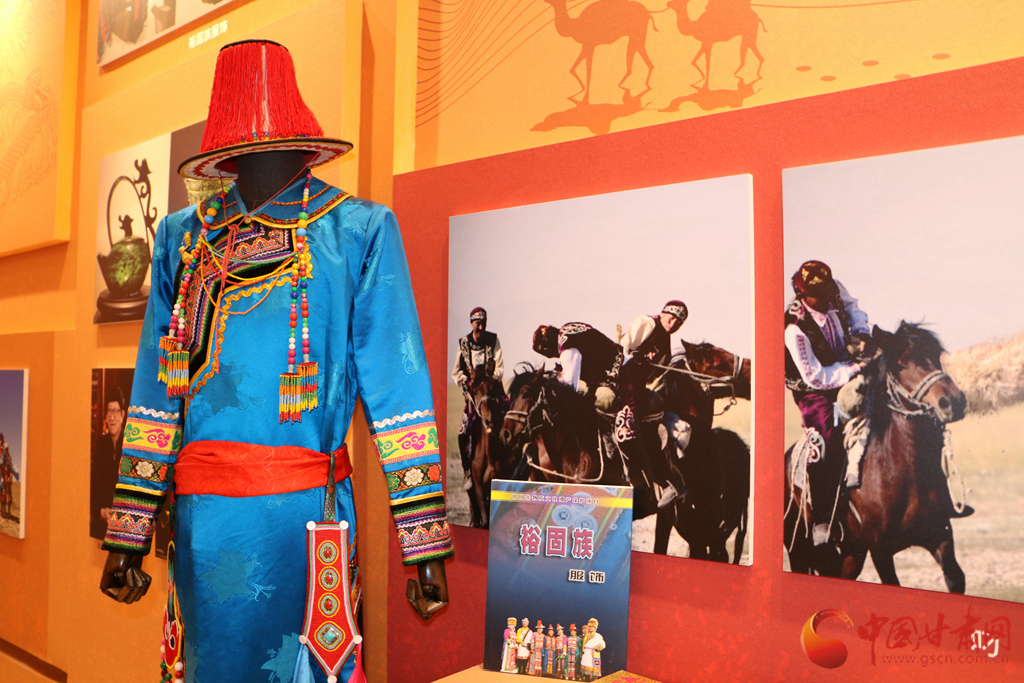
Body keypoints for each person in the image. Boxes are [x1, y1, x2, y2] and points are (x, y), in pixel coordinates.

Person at [98, 40, 453, 683]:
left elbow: (397, 388)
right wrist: (130, 530)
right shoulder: (181, 238)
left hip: (305, 521)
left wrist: (422, 539)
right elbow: (156, 392)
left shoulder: (358, 231)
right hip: (204, 527)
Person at [533, 322, 683, 507]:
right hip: (614, 377)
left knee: (625, 433)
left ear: (547, 348)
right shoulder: (570, 331)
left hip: (626, 378)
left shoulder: (567, 349)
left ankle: (668, 482)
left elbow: (569, 386)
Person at [784, 260, 870, 547]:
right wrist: (854, 368)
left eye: (827, 294)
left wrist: (862, 333)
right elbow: (815, 375)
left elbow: (853, 307)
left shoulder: (833, 289)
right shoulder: (794, 328)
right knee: (824, 438)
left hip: (848, 365)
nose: (826, 301)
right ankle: (822, 517)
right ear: (802, 295)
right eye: (817, 298)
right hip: (813, 390)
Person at [452, 307, 505, 490]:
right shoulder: (464, 344)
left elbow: (500, 367)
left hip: (492, 393)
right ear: (471, 323)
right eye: (477, 323)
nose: (481, 327)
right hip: (473, 398)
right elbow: (456, 371)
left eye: (483, 323)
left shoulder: (493, 340)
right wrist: (466, 382)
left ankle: (510, 466)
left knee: (509, 422)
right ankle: (467, 470)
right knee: (463, 432)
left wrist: (490, 380)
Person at [91, 386, 126, 537]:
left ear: (122, 415)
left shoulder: (130, 446)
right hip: (102, 523)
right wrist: (100, 510)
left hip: (124, 524)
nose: (112, 417)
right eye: (109, 412)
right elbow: (94, 484)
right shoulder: (101, 444)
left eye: (115, 411)